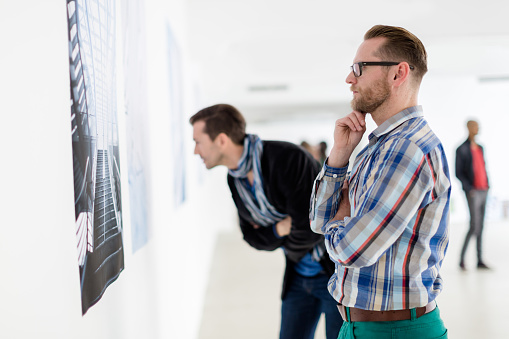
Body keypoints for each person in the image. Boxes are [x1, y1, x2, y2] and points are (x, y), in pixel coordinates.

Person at [309, 25, 450, 338]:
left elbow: (353, 250)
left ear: (398, 73)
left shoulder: (408, 148)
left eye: (359, 68)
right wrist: (339, 158)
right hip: (360, 326)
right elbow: (319, 221)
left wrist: (341, 222)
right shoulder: (376, 147)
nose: (350, 79)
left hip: (395, 331)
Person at [190, 104, 343, 339]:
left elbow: (313, 227)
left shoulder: (288, 158)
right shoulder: (235, 180)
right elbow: (252, 237)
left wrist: (275, 233)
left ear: (221, 140)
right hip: (298, 276)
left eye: (198, 142)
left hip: (334, 275)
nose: (195, 151)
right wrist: (281, 227)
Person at [455, 120, 490, 270]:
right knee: (474, 225)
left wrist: (488, 185)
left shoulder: (481, 148)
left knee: (480, 226)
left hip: (484, 190)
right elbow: (458, 172)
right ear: (469, 128)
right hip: (473, 192)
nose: (478, 128)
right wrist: (469, 188)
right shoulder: (461, 149)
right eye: (475, 126)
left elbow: (482, 167)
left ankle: (479, 260)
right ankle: (462, 260)